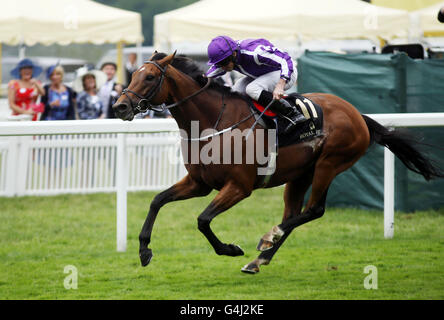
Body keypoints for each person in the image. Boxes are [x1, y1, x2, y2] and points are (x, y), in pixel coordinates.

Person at [205, 36, 307, 133]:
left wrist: (280, 85)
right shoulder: (227, 57)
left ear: (234, 54)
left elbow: (285, 59)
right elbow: (207, 76)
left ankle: (292, 114)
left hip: (286, 72)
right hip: (262, 75)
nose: (222, 67)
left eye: (223, 63)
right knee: (235, 90)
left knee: (252, 89)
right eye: (219, 64)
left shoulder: (254, 52)